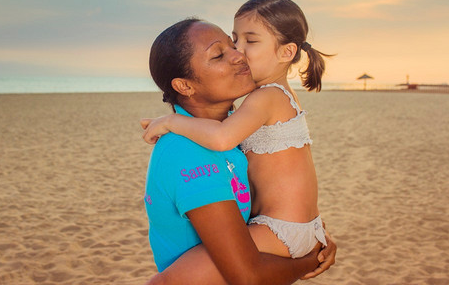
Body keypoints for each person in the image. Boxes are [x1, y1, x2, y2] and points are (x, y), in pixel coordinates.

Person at [142, 16, 335, 284]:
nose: (238, 55)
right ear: (185, 85)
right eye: (219, 55)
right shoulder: (189, 151)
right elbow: (248, 276)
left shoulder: (234, 132)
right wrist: (311, 258)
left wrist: (309, 232)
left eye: (232, 45)